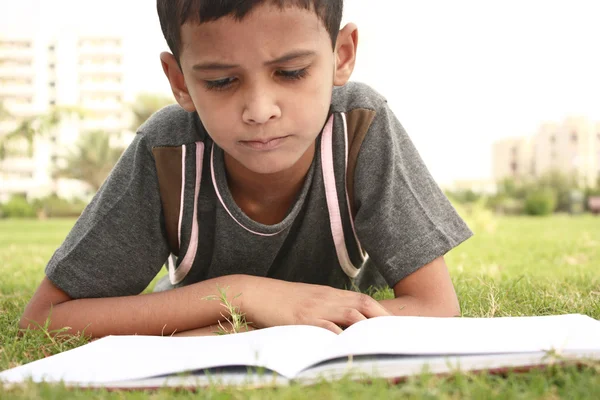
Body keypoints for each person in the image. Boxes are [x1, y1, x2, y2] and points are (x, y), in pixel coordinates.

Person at [20, 0, 472, 338]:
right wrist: (241, 296)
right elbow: (42, 322)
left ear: (342, 54)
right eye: (221, 81)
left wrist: (269, 326)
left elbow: (437, 308)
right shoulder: (168, 152)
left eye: (291, 71)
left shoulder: (359, 127)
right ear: (180, 81)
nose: (259, 110)